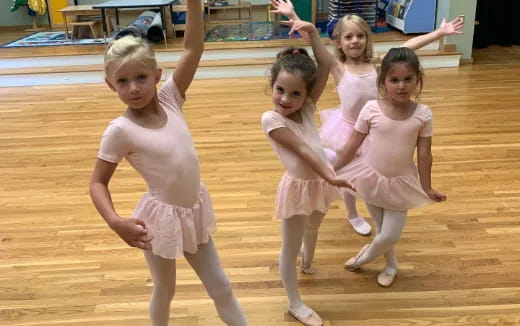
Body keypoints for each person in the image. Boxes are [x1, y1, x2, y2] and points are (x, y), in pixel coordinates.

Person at [88, 1, 248, 325]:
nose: (133, 88)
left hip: (193, 210)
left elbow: (193, 47)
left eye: (141, 77)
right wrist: (114, 221)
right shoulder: (120, 131)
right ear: (110, 84)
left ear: (157, 76)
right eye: (122, 82)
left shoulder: (170, 97)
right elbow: (97, 182)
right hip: (159, 220)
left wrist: (192, 4)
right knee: (165, 289)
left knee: (222, 285)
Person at [270, 0, 462, 236]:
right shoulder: (338, 66)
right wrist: (293, 15)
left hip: (375, 127)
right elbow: (315, 43)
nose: (355, 41)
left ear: (367, 39)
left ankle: (377, 206)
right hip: (347, 129)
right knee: (349, 172)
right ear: (339, 41)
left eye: (360, 36)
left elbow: (407, 47)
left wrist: (439, 32)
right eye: (349, 37)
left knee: (370, 171)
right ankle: (352, 213)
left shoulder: (377, 64)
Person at [261, 21, 354, 326]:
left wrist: (313, 33)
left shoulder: (307, 107)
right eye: (280, 90)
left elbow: (326, 64)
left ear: (306, 94)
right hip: (300, 185)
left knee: (314, 226)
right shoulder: (271, 119)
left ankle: (309, 261)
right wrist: (330, 175)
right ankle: (294, 303)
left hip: (319, 182)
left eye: (295, 94)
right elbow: (302, 150)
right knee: (289, 246)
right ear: (272, 86)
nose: (286, 99)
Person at [334, 47, 447, 287]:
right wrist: (333, 171)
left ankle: (362, 258)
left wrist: (427, 187)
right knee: (381, 229)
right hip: (370, 176)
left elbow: (425, 155)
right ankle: (390, 265)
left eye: (408, 79)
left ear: (418, 79)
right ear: (383, 82)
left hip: (401, 182)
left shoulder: (423, 114)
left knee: (389, 235)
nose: (402, 86)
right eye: (394, 80)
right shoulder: (371, 109)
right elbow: (352, 146)